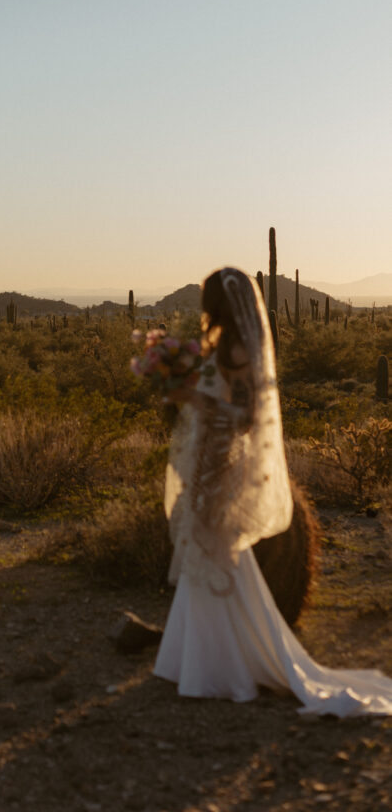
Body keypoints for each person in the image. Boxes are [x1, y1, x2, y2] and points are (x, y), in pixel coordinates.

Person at [153, 267, 392, 716]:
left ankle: (224, 666)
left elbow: (244, 415)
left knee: (218, 553)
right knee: (208, 553)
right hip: (208, 459)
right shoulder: (226, 346)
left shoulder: (239, 350)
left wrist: (194, 396)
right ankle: (197, 659)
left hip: (222, 463)